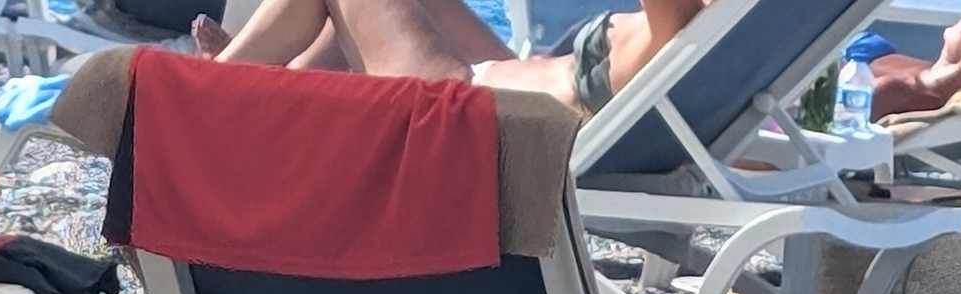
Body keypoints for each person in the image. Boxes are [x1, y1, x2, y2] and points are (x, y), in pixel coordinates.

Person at [193, 0, 712, 117]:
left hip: (463, 104)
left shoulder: (677, 29)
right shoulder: (715, 31)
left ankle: (215, 86)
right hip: (506, 78)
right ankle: (266, 79)